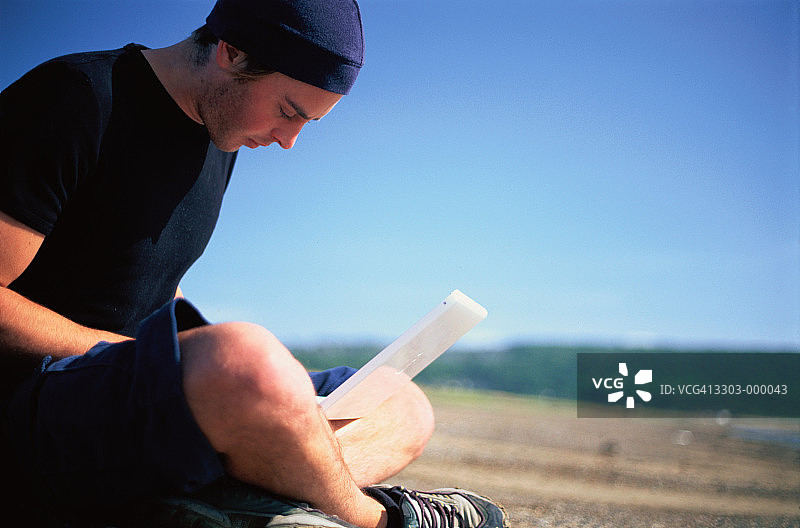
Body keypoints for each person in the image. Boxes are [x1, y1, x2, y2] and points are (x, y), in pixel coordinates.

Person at [0, 1, 508, 527]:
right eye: (289, 111)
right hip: (40, 406)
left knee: (398, 403)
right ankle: (371, 518)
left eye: (308, 122)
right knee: (246, 360)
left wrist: (253, 379)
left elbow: (136, 278)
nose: (289, 141)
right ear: (232, 52)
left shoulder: (220, 129)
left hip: (144, 396)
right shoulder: (74, 97)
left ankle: (231, 502)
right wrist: (174, 362)